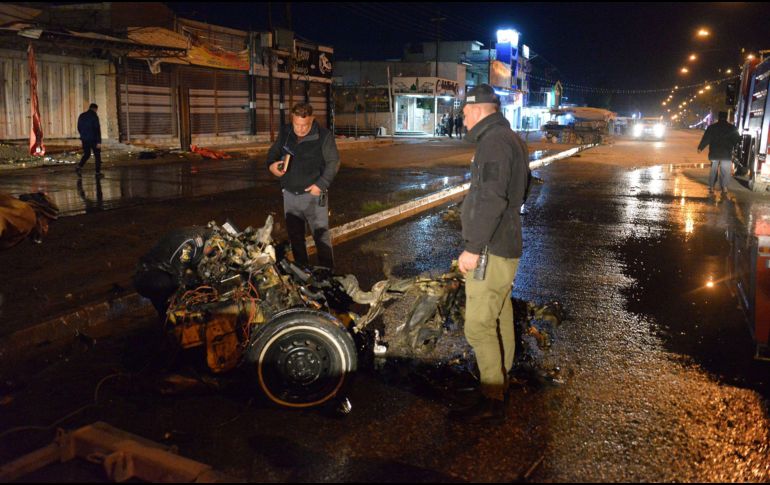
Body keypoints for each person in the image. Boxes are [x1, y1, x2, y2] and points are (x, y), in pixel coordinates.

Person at [450, 84, 530, 424]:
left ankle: (492, 397)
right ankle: (501, 379)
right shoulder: (509, 138)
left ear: (479, 109)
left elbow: (491, 198)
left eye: (465, 112)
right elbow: (522, 190)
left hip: (491, 248)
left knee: (479, 327)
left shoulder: (494, 142)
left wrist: (472, 248)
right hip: (505, 243)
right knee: (499, 316)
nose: (462, 117)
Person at [267, 102, 340, 269]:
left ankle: (327, 274)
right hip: (290, 196)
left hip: (313, 197)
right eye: (296, 125)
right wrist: (272, 166)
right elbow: (273, 153)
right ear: (292, 119)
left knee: (321, 238)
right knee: (295, 238)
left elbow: (333, 162)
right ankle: (302, 271)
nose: (299, 129)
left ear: (312, 119)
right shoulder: (286, 132)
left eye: (304, 125)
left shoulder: (324, 136)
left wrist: (321, 184)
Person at [133, 226, 210, 319]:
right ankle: (165, 314)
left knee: (190, 280)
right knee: (169, 285)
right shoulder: (188, 246)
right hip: (146, 274)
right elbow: (179, 278)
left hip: (165, 267)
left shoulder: (203, 235)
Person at [697, 111, 741, 196]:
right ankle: (724, 187)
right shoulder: (732, 128)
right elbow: (737, 140)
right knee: (726, 171)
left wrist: (700, 148)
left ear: (719, 117)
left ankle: (712, 187)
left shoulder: (712, 127)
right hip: (726, 154)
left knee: (713, 170)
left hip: (714, 153)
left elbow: (706, 138)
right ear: (726, 117)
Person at [76, 103, 103, 177]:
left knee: (87, 154)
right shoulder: (94, 116)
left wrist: (83, 135)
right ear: (95, 109)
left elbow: (79, 127)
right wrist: (99, 142)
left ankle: (79, 166)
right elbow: (97, 129)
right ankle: (98, 172)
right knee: (97, 156)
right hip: (94, 139)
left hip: (85, 139)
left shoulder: (82, 115)